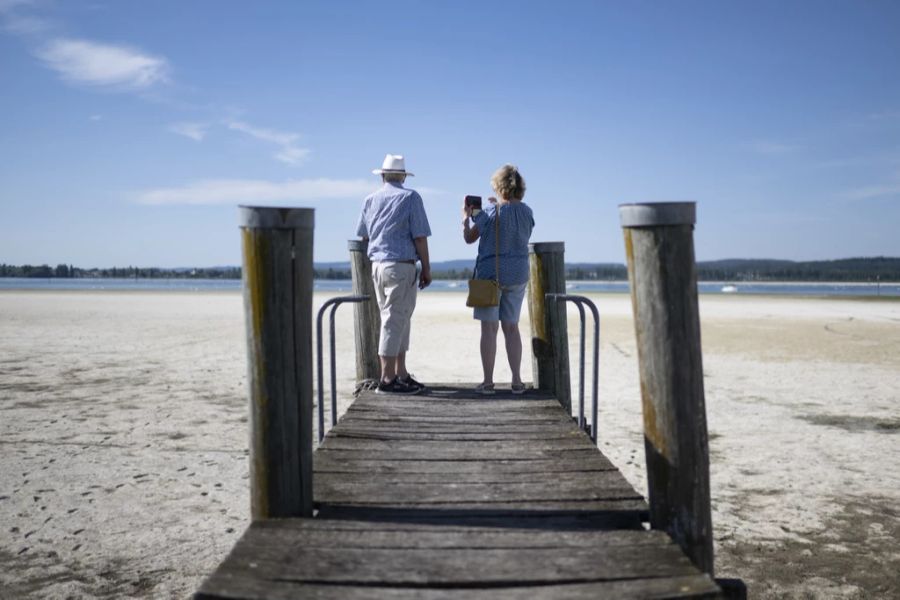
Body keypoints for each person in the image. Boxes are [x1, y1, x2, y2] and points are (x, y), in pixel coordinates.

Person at [356, 154, 432, 395]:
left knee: (397, 319)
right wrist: (427, 268)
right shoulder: (410, 197)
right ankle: (388, 379)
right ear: (402, 176)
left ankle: (401, 374)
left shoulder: (370, 200)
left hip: (378, 265)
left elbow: (364, 236)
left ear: (382, 176)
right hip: (401, 265)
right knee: (395, 319)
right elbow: (419, 236)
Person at [462, 164, 534, 395]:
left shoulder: (490, 213)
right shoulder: (527, 212)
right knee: (512, 328)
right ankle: (516, 381)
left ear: (500, 187)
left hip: (490, 275)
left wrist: (466, 219)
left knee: (489, 329)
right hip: (518, 273)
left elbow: (469, 238)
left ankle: (488, 382)